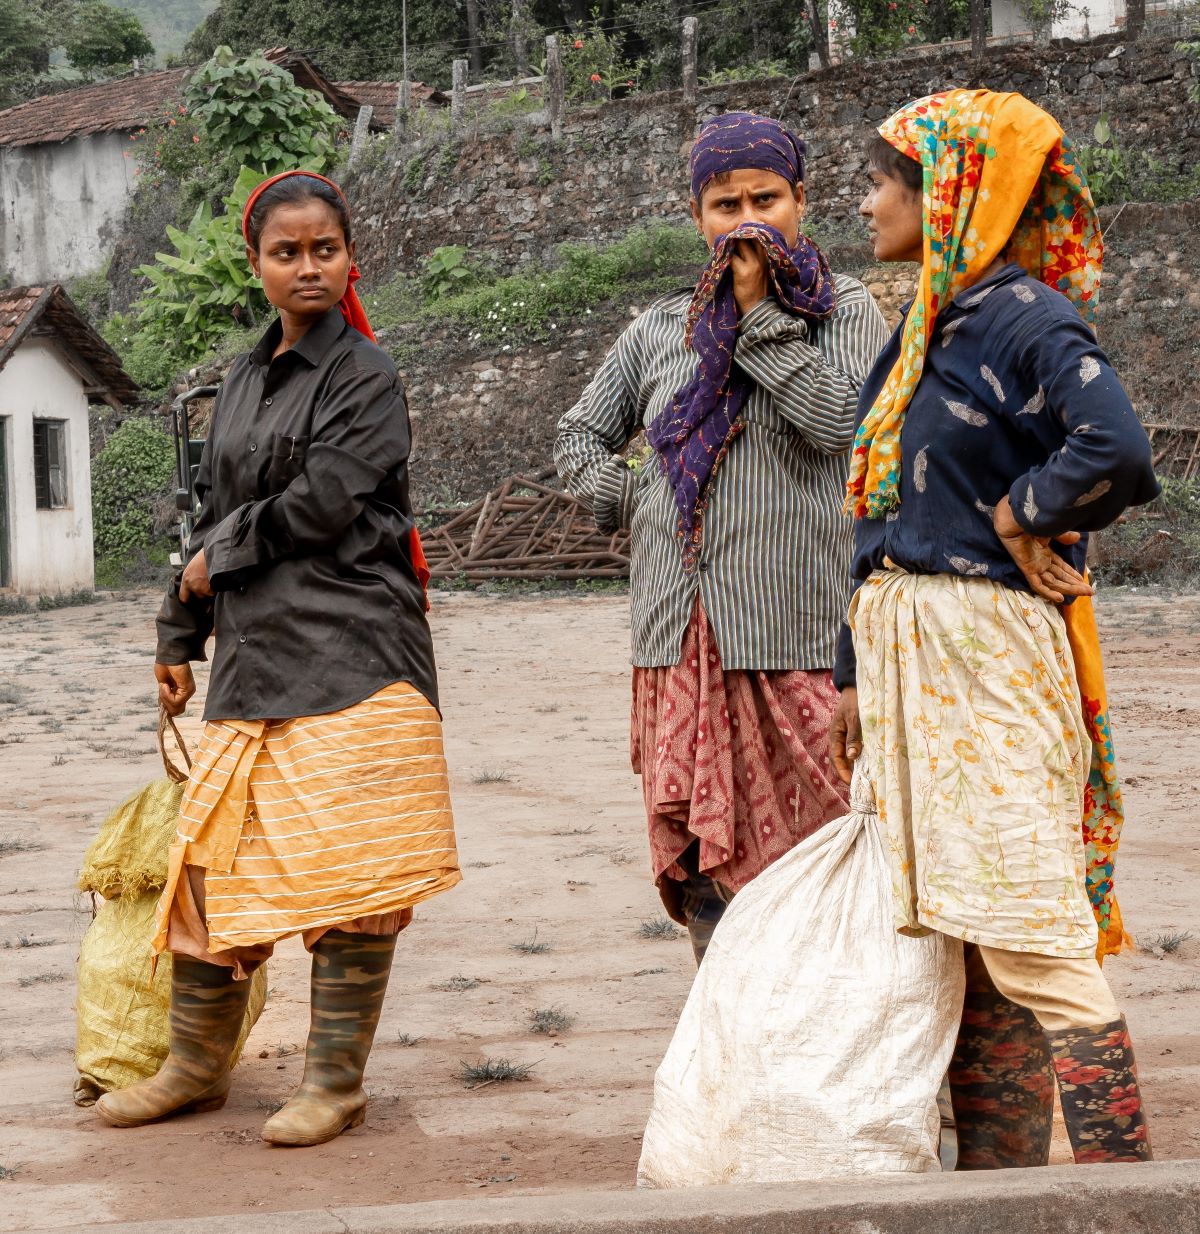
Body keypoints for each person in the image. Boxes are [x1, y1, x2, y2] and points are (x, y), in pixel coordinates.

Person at [95, 171, 461, 1147]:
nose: (308, 267)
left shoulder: (367, 375)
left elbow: (330, 499)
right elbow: (203, 523)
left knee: (357, 877)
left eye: (324, 250)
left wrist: (223, 553)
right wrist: (177, 639)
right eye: (287, 252)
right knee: (212, 868)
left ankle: (333, 1082)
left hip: (358, 658)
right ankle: (193, 1068)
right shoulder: (243, 381)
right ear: (255, 264)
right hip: (253, 668)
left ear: (350, 258)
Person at [831, 89, 1158, 1166]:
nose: (867, 197)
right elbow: (883, 513)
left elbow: (1115, 447)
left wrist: (1024, 508)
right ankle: (999, 1188)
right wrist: (848, 675)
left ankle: (1125, 1186)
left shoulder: (1026, 319)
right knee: (957, 940)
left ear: (952, 194)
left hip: (982, 663)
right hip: (911, 662)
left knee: (1029, 926)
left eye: (885, 178)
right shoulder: (934, 320)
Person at [556, 112, 888, 963]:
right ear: (696, 215)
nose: (746, 218)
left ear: (801, 201)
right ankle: (732, 1052)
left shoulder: (844, 312)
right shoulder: (659, 329)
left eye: (765, 198)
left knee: (833, 855)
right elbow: (579, 436)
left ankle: (830, 1056)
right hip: (678, 636)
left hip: (800, 635)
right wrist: (627, 498)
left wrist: (756, 321)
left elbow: (844, 430)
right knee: (707, 868)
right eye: (723, 202)